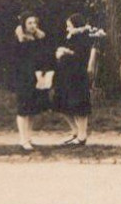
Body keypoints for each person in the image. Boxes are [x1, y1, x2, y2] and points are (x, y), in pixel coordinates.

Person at [52, 12, 105, 147]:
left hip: (77, 77)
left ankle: (82, 135)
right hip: (66, 76)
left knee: (79, 106)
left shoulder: (83, 38)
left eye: (69, 26)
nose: (67, 28)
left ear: (76, 25)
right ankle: (75, 131)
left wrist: (65, 52)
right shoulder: (72, 37)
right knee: (62, 104)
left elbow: (80, 57)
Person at [11, 13, 54, 152]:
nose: (33, 25)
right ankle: (23, 139)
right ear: (24, 24)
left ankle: (28, 137)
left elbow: (44, 57)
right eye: (29, 23)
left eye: (35, 23)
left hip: (37, 77)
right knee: (23, 109)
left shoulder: (40, 38)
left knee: (32, 109)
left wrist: (43, 71)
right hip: (24, 77)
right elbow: (17, 60)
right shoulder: (19, 40)